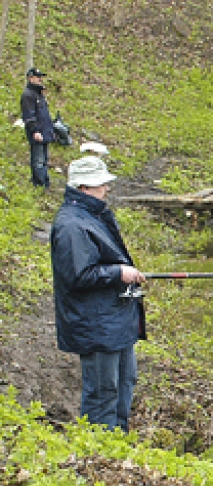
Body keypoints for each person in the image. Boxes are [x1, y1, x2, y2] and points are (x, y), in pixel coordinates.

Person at [50, 156, 147, 432]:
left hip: (115, 320)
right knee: (103, 392)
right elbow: (77, 276)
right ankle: (99, 450)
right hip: (95, 324)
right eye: (100, 183)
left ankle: (119, 441)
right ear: (83, 187)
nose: (106, 188)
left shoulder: (93, 215)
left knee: (126, 381)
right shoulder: (71, 225)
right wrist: (119, 273)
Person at [20, 67, 55, 189]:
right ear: (30, 78)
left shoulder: (39, 94)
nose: (40, 79)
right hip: (38, 132)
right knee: (38, 160)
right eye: (37, 77)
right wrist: (35, 130)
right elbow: (29, 115)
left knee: (44, 159)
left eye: (41, 77)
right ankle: (40, 185)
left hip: (44, 131)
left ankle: (44, 183)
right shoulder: (28, 95)